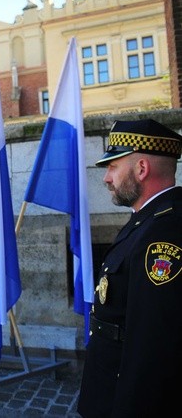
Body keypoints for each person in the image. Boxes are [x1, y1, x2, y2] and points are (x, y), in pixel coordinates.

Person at [77, 119, 182, 417]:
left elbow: (152, 346)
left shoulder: (164, 233)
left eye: (112, 166)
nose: (106, 178)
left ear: (142, 169)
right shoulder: (147, 220)